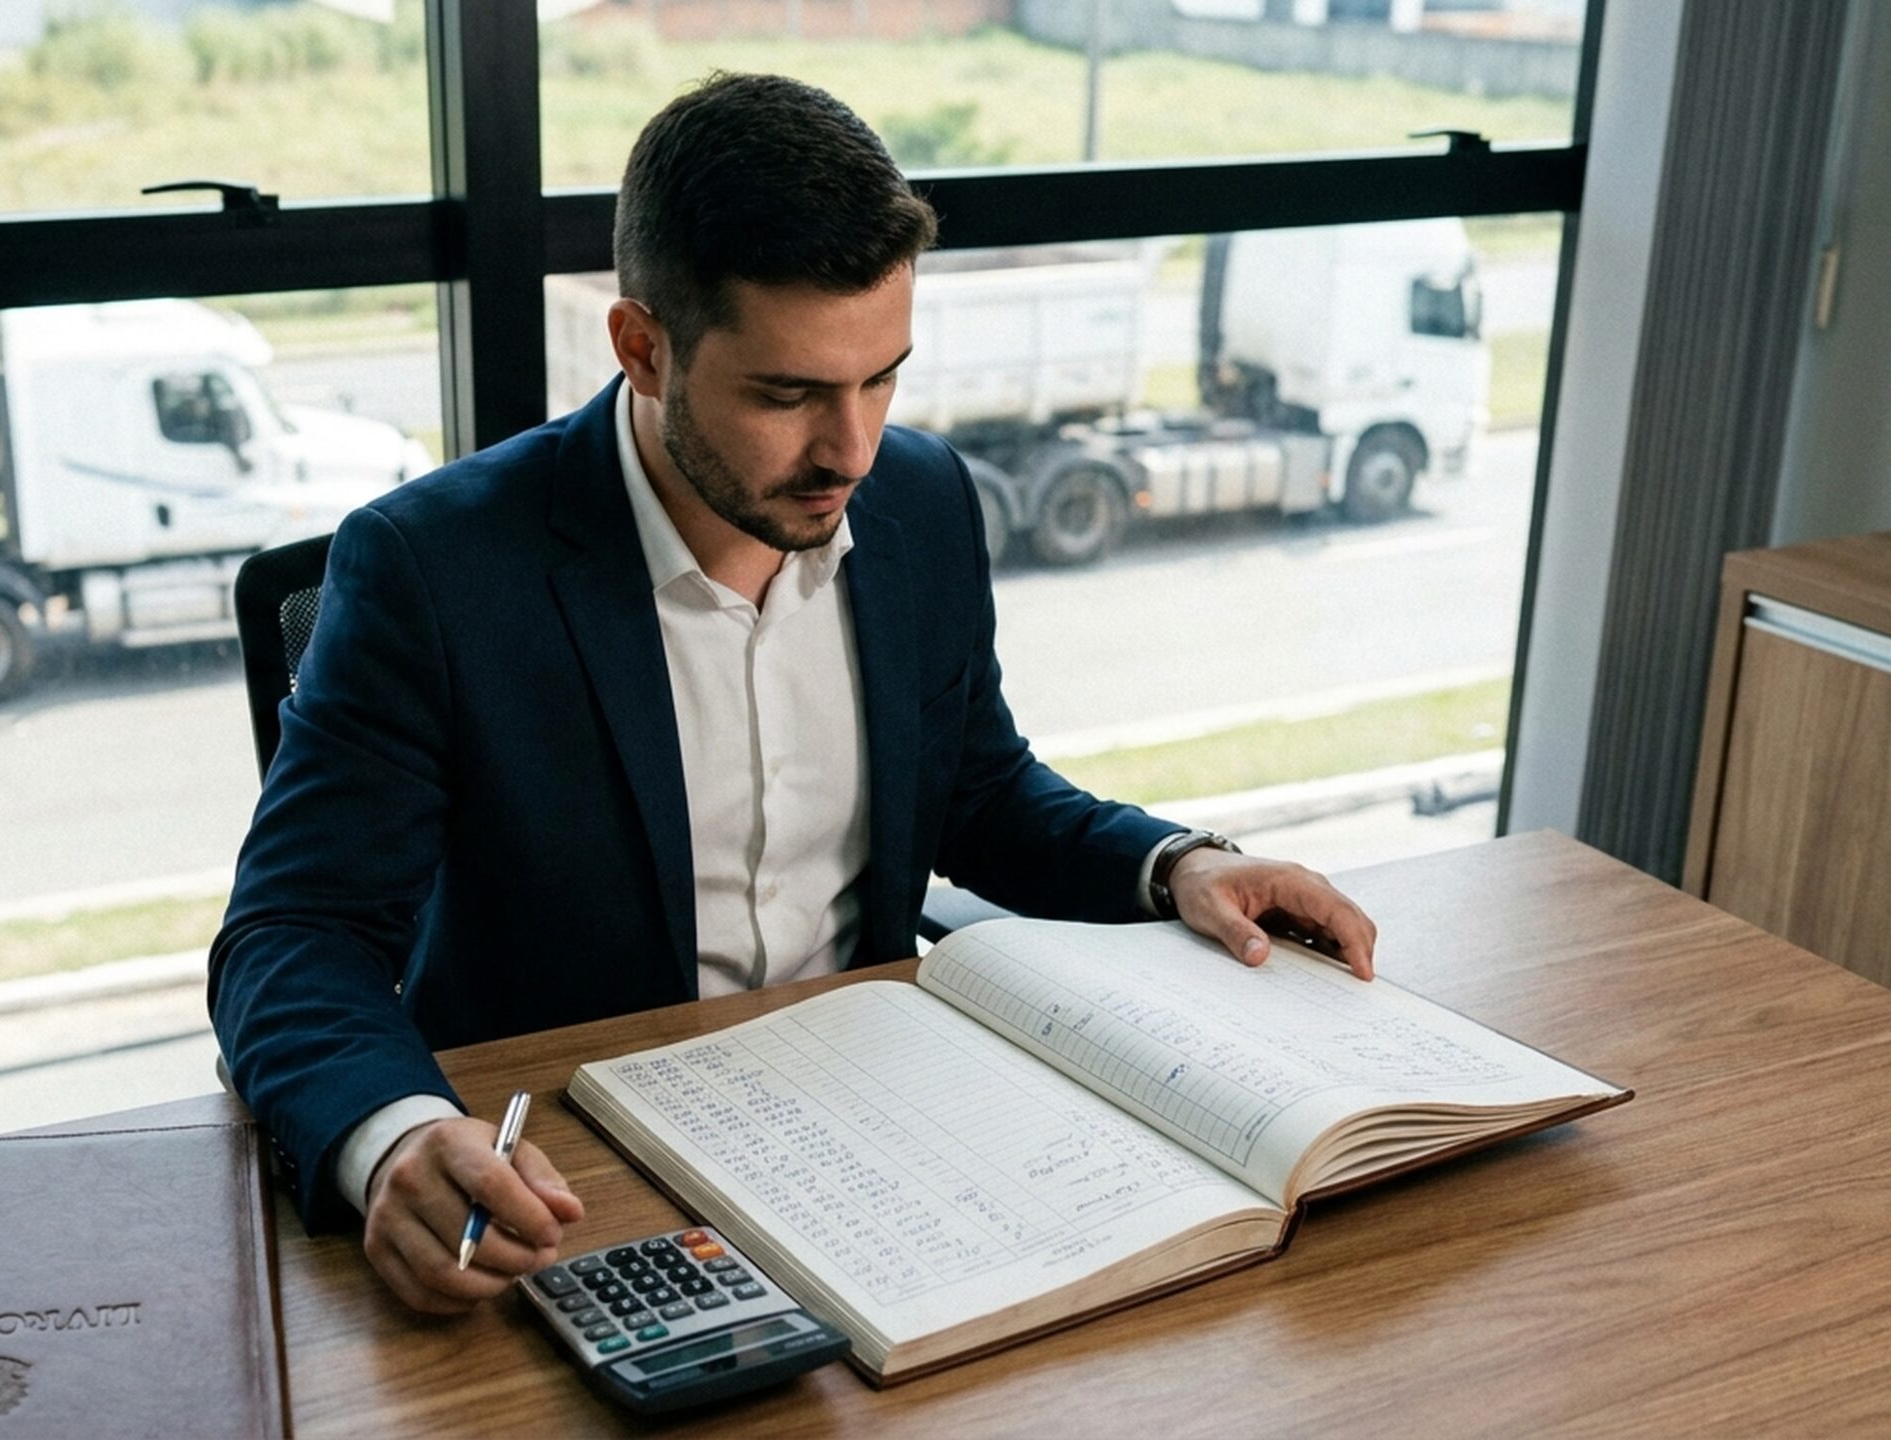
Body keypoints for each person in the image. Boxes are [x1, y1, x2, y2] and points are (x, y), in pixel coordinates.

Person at [209, 72, 1379, 1317]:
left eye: (882, 378)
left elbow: (977, 791)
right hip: (574, 1182)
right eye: (789, 394)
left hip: (882, 1142)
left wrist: (1175, 866)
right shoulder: (432, 568)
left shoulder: (922, 504)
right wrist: (390, 1138)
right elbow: (295, 934)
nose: (852, 449)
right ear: (643, 348)